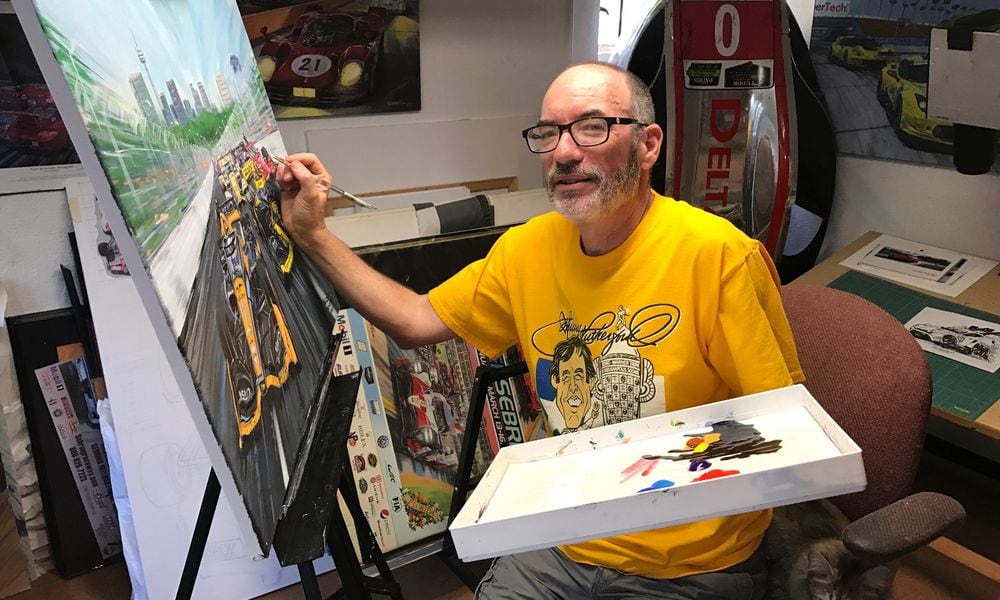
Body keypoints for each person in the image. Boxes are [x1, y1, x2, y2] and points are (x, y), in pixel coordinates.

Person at [277, 61, 803, 600]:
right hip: (564, 537)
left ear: (647, 145)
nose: (565, 151)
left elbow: (785, 430)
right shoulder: (526, 250)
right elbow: (414, 320)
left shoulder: (719, 259)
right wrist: (314, 234)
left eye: (593, 126)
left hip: (690, 562)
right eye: (549, 132)